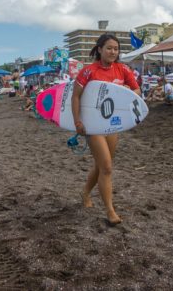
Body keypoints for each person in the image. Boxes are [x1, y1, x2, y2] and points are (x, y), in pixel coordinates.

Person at [72, 34, 141, 225]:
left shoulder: (122, 69)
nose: (113, 52)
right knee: (107, 168)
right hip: (93, 124)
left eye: (116, 49)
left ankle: (85, 192)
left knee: (102, 165)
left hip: (112, 123)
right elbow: (76, 96)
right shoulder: (88, 71)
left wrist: (124, 92)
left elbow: (137, 91)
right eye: (109, 48)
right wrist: (77, 121)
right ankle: (110, 211)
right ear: (100, 49)